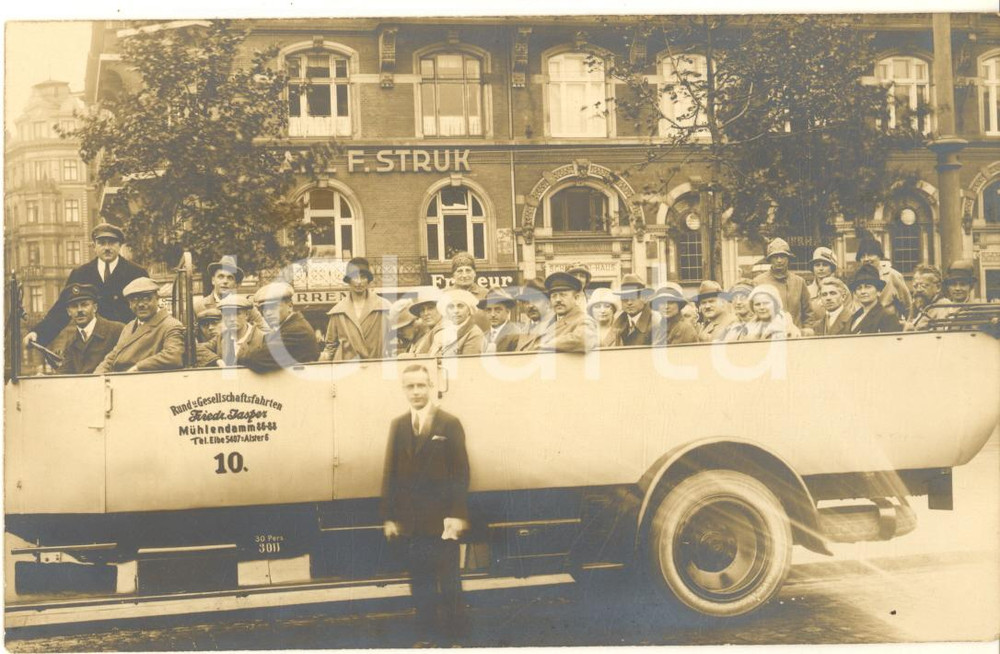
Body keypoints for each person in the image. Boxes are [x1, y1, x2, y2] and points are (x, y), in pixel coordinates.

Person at [381, 363, 470, 643]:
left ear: (430, 386)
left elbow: (461, 472)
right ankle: (428, 638)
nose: (416, 391)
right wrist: (390, 517)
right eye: (410, 386)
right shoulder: (398, 425)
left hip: (442, 520)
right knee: (420, 583)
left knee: (450, 584)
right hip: (412, 522)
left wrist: (456, 514)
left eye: (421, 385)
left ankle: (456, 640)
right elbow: (390, 472)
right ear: (403, 389)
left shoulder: (449, 423)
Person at [25, 223, 148, 349]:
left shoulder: (136, 273)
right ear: (94, 246)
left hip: (128, 345)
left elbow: (148, 311)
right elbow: (61, 310)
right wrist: (38, 334)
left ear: (120, 245)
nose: (107, 248)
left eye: (111, 242)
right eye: (101, 243)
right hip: (91, 348)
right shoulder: (81, 274)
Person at [94, 277, 185, 373]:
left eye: (146, 299)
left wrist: (138, 367)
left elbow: (174, 356)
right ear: (129, 304)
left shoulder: (170, 325)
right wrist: (97, 374)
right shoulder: (129, 326)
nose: (141, 304)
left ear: (157, 299)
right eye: (135, 300)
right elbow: (114, 355)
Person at [321, 257, 391, 361]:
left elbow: (394, 339)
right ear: (349, 280)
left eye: (363, 277)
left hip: (375, 367)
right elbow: (330, 347)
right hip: (346, 370)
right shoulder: (338, 311)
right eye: (354, 276)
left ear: (368, 280)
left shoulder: (384, 307)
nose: (359, 282)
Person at [241, 282, 320, 372]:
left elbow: (257, 359)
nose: (268, 313)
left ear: (290, 306)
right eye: (264, 309)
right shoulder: (288, 327)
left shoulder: (297, 331)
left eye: (273, 307)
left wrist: (239, 357)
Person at [48, 283, 125, 375]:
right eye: (74, 306)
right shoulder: (71, 343)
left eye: (84, 305)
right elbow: (64, 373)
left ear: (95, 308)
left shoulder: (117, 330)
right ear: (68, 312)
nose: (79, 310)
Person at [752, 237, 814, 330]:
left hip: (795, 336)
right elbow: (753, 313)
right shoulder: (759, 282)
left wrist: (806, 330)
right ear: (769, 259)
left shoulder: (799, 282)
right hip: (769, 337)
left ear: (788, 258)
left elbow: (808, 313)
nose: (779, 260)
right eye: (775, 257)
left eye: (783, 256)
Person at [193, 255, 266, 331]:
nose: (225, 281)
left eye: (230, 278)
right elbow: (191, 336)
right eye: (221, 277)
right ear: (213, 280)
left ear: (235, 284)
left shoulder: (246, 306)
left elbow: (264, 331)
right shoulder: (199, 307)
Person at [199, 294, 266, 367]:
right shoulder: (221, 338)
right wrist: (217, 360)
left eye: (237, 314)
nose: (232, 319)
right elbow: (198, 349)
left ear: (247, 315)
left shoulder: (263, 339)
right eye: (227, 315)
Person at [538, 271, 595, 353]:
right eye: (554, 296)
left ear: (576, 298)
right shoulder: (550, 323)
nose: (558, 300)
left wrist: (546, 344)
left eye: (563, 295)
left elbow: (584, 340)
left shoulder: (584, 320)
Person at [856, 237, 912, 318]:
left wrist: (907, 325)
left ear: (879, 256)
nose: (866, 259)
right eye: (863, 256)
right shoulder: (857, 278)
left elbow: (907, 306)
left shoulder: (892, 275)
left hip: (889, 325)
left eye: (870, 255)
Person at [848, 264, 903, 334]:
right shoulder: (855, 316)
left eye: (868, 287)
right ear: (855, 293)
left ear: (878, 291)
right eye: (859, 288)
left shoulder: (887, 317)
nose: (863, 292)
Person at [429, 288, 485, 356]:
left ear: (469, 310)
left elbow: (469, 363)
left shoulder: (474, 334)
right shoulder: (440, 333)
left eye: (460, 306)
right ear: (446, 311)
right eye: (451, 307)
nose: (455, 311)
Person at [905, 264, 955, 331]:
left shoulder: (943, 306)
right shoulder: (919, 306)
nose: (919, 290)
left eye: (924, 286)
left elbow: (940, 335)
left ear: (938, 287)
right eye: (915, 286)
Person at [612, 274, 657, 346]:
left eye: (633, 297)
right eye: (625, 297)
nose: (629, 302)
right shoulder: (617, 323)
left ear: (644, 298)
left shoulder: (656, 323)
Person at [449, 252, 490, 331]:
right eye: (460, 271)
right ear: (453, 275)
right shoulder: (445, 294)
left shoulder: (486, 294)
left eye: (468, 270)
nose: (464, 275)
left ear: (474, 273)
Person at [514, 279, 553, 352]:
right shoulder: (524, 329)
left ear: (548, 303)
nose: (530, 306)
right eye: (526, 302)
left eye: (536, 300)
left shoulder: (555, 325)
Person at [805, 247, 839, 330]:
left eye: (825, 265)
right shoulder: (806, 291)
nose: (821, 268)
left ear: (832, 268)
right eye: (817, 265)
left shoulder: (841, 289)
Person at [478, 288, 520, 354]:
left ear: (507, 311)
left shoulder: (515, 334)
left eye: (498, 310)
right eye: (489, 310)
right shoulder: (484, 336)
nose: (493, 315)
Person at [408, 288, 445, 356]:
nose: (426, 313)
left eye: (430, 308)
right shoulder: (426, 333)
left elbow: (433, 359)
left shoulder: (443, 331)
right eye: (422, 310)